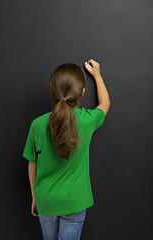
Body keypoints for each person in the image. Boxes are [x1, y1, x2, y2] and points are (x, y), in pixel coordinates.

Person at [22, 59, 110, 240]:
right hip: (75, 202)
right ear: (82, 93)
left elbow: (32, 165)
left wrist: (34, 197)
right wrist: (98, 75)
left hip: (46, 200)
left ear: (52, 91)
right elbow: (105, 104)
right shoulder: (87, 120)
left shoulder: (38, 125)